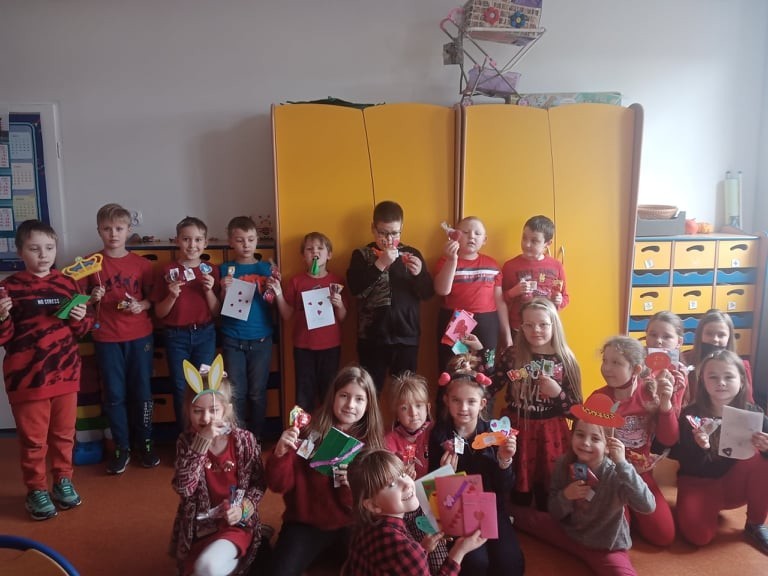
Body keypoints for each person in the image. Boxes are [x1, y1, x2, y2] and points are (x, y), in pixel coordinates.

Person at [0, 220, 93, 520]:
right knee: (33, 440)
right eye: (34, 248)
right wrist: (2, 317)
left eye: (49, 248)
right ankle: (36, 489)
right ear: (20, 251)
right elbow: (3, 337)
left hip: (66, 373)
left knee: (65, 435)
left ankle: (63, 480)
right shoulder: (8, 288)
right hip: (27, 378)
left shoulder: (68, 283)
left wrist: (80, 316)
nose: (43, 255)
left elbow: (82, 330)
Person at [266, 365, 385, 576]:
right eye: (344, 396)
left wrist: (349, 487)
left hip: (350, 525)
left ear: (368, 405)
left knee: (377, 567)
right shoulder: (308, 431)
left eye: (359, 399)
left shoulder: (370, 445)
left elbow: (370, 505)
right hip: (305, 523)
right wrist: (280, 454)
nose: (350, 405)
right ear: (333, 397)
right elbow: (278, 485)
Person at [511, 404, 655, 576]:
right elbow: (554, 512)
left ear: (607, 446)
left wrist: (623, 464)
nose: (586, 443)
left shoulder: (617, 473)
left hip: (605, 547)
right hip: (568, 534)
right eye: (580, 434)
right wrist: (566, 496)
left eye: (595, 438)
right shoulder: (563, 464)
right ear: (572, 436)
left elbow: (648, 506)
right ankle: (503, 510)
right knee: (526, 518)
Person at [428, 358, 525, 576]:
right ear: (446, 401)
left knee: (510, 564)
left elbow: (504, 487)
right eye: (456, 400)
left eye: (471, 401)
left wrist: (505, 460)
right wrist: (444, 474)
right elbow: (434, 493)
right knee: (474, 563)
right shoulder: (439, 436)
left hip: (492, 508)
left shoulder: (495, 434)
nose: (463, 408)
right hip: (458, 511)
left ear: (482, 404)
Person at [81, 203, 158, 474]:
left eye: (119, 228)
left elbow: (152, 300)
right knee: (114, 395)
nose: (113, 234)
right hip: (106, 338)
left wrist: (141, 305)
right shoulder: (90, 264)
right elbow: (78, 303)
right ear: (98, 231)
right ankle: (121, 447)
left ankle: (145, 443)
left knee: (142, 393)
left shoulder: (142, 264)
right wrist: (91, 298)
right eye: (107, 229)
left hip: (139, 336)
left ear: (128, 230)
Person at [170, 355, 265, 576]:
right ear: (187, 410)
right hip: (199, 529)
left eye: (213, 410)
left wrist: (243, 510)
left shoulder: (244, 441)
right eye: (197, 411)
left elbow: (259, 484)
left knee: (207, 567)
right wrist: (201, 444)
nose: (206, 418)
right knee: (200, 570)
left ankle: (242, 558)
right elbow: (184, 488)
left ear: (226, 410)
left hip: (235, 525)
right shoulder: (186, 442)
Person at [672, 350, 768, 554]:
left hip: (734, 485)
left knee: (762, 460)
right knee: (699, 537)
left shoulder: (753, 413)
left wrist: (766, 448)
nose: (721, 383)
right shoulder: (690, 415)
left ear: (741, 381)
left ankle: (755, 524)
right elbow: (687, 465)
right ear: (702, 381)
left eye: (729, 377)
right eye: (713, 377)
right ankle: (705, 509)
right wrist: (700, 447)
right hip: (699, 482)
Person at [492, 297, 582, 510]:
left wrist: (557, 393)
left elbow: (576, 412)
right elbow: (492, 385)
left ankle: (546, 520)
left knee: (547, 492)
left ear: (554, 324)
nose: (536, 330)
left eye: (543, 324)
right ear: (521, 327)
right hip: (517, 429)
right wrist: (476, 359)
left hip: (550, 433)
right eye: (529, 325)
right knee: (517, 491)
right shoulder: (513, 354)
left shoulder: (566, 359)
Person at [343, 448, 486, 575]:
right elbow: (403, 556)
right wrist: (459, 551)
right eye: (391, 484)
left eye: (402, 474)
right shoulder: (404, 549)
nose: (407, 484)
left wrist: (423, 549)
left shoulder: (365, 525)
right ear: (373, 505)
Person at [592, 336, 677, 547]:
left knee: (663, 535)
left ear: (636, 369)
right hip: (609, 475)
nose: (606, 368)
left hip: (640, 474)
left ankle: (634, 511)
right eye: (605, 360)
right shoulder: (598, 399)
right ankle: (628, 511)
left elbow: (669, 439)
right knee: (617, 535)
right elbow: (587, 445)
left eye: (616, 362)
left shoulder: (651, 394)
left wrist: (666, 404)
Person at [347, 201, 434, 393]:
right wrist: (380, 264)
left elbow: (428, 293)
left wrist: (419, 274)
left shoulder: (412, 254)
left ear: (401, 228)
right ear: (373, 228)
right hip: (372, 338)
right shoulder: (361, 255)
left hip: (406, 337)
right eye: (383, 233)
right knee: (369, 393)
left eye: (395, 233)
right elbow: (355, 289)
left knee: (406, 394)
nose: (389, 239)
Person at [151, 216, 220, 434]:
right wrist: (172, 296)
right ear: (177, 241)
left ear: (205, 243)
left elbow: (216, 312)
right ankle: (186, 439)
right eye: (186, 239)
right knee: (181, 388)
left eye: (198, 240)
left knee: (205, 387)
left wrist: (209, 290)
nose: (192, 245)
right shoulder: (166, 270)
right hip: (176, 336)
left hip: (205, 334)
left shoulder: (211, 270)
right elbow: (159, 313)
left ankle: (206, 436)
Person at [273, 231, 348, 411]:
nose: (315, 251)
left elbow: (343, 317)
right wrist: (278, 293)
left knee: (329, 393)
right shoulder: (296, 281)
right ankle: (303, 428)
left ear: (329, 255)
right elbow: (287, 315)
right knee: (303, 394)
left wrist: (339, 304)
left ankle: (328, 427)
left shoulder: (336, 281)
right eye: (309, 249)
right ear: (303, 256)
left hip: (330, 346)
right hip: (303, 347)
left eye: (320, 248)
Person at [384, 371, 450, 574]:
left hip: (434, 502)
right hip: (405, 507)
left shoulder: (436, 432)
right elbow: (385, 480)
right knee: (409, 556)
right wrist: (398, 475)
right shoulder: (390, 440)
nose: (413, 413)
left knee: (439, 559)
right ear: (396, 413)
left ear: (428, 407)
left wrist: (451, 454)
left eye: (419, 406)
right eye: (405, 408)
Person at [433, 216, 512, 378]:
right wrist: (452, 260)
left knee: (486, 369)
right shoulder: (445, 261)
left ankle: (484, 394)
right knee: (451, 369)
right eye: (465, 232)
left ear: (485, 240)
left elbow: (500, 301)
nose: (472, 236)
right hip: (454, 321)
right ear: (454, 235)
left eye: (477, 233)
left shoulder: (492, 265)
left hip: (487, 322)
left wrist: (507, 335)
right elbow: (442, 290)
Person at [218, 216, 274, 437]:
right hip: (233, 339)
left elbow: (273, 302)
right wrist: (223, 289)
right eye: (240, 240)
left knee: (257, 393)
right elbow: (220, 306)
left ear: (257, 240)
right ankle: (239, 438)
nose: (246, 245)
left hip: (261, 339)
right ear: (231, 241)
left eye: (250, 239)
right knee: (237, 393)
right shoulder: (225, 269)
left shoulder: (265, 268)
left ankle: (256, 437)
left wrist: (272, 285)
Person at [501, 215, 569, 336]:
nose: (527, 244)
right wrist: (514, 292)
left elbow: (565, 297)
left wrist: (559, 301)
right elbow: (501, 299)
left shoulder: (557, 266)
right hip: (519, 328)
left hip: (547, 328)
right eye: (524, 238)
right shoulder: (510, 266)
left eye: (534, 241)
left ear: (548, 243)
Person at [682, 309, 754, 404]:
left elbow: (747, 402)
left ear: (729, 337)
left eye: (721, 335)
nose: (715, 339)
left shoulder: (741, 365)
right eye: (709, 333)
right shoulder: (685, 360)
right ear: (700, 335)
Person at [644, 311, 688, 414]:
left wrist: (676, 393)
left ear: (679, 342)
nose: (658, 341)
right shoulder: (636, 366)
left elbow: (677, 413)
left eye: (667, 337)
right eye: (653, 335)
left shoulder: (680, 372)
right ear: (646, 337)